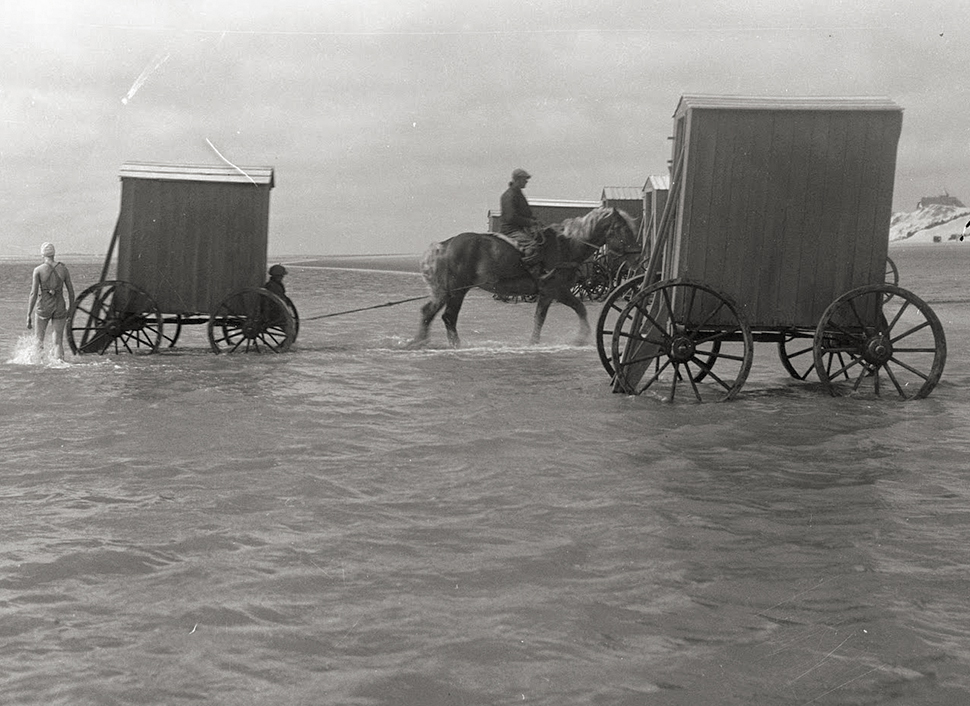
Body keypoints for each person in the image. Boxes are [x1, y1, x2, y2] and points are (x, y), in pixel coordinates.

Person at [26, 241, 75, 361]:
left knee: (39, 339)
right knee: (58, 341)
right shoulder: (63, 269)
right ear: (54, 254)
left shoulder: (38, 270)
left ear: (42, 255)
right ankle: (60, 365)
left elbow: (33, 293)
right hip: (59, 305)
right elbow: (71, 292)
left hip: (44, 305)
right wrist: (71, 308)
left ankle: (37, 365)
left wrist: (28, 314)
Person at [499, 168, 551, 279]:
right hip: (511, 230)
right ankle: (527, 274)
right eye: (525, 179)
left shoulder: (518, 194)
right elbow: (510, 217)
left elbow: (525, 213)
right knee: (533, 246)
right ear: (518, 179)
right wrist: (530, 222)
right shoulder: (509, 195)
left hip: (521, 229)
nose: (526, 182)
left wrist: (536, 221)